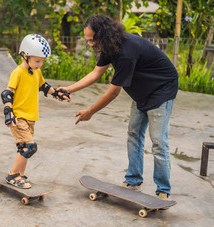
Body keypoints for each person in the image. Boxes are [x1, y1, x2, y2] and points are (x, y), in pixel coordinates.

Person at [59, 15, 178, 200]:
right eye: (88, 39)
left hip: (161, 91)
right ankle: (133, 181)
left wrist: (90, 112)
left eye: (92, 39)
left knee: (158, 142)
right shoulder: (109, 46)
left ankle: (163, 190)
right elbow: (96, 73)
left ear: (103, 34)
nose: (90, 44)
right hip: (141, 93)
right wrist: (69, 88)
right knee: (134, 134)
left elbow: (113, 92)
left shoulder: (126, 53)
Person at [1, 34, 70, 189]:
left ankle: (20, 174)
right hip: (19, 117)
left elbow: (44, 86)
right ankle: (12, 174)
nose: (40, 64)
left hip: (31, 117)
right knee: (29, 147)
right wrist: (9, 112)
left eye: (42, 61)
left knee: (23, 147)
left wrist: (57, 93)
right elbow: (7, 93)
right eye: (37, 61)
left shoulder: (36, 72)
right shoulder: (17, 72)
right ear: (25, 56)